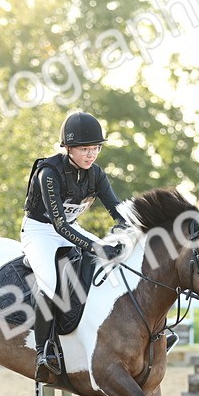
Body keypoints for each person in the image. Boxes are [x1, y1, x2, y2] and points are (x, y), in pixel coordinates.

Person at [21, 111, 129, 373]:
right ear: (68, 148)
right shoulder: (48, 173)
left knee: (119, 265)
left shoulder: (96, 174)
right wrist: (98, 248)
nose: (91, 155)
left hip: (71, 228)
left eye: (96, 148)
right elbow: (59, 225)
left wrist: (125, 228)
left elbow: (117, 209)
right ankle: (43, 352)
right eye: (84, 149)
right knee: (49, 283)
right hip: (40, 231)